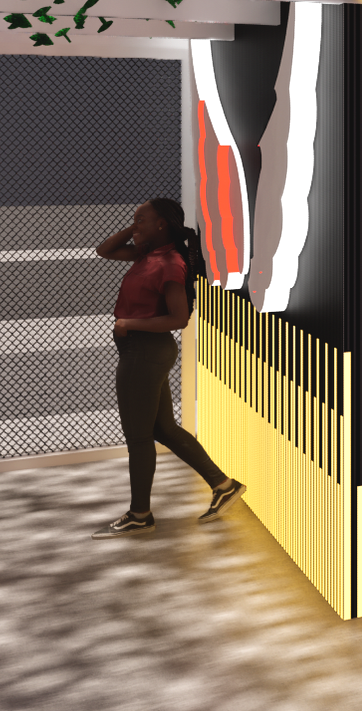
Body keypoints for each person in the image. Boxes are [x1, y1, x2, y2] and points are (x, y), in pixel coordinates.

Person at [92, 197, 245, 537]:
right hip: (142, 352)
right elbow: (104, 250)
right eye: (134, 220)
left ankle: (140, 514)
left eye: (141, 219)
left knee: (139, 438)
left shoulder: (171, 263)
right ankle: (224, 485)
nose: (135, 226)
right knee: (163, 428)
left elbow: (179, 318)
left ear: (161, 223)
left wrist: (130, 322)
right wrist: (136, 228)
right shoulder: (148, 255)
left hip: (144, 354)